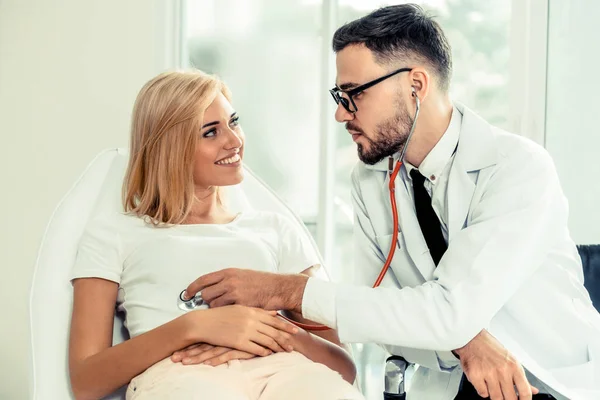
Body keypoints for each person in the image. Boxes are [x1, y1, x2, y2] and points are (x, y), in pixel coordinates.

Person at [184, 4, 600, 400]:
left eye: (354, 94)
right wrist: (465, 343)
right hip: (450, 385)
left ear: (415, 86)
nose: (342, 115)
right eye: (339, 96)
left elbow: (445, 312)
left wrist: (287, 290)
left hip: (546, 382)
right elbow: (378, 317)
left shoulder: (516, 168)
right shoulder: (370, 179)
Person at [68, 70, 364, 400]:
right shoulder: (113, 234)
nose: (234, 140)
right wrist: (193, 327)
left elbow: (345, 368)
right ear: (171, 147)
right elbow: (86, 381)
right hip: (183, 377)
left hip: (287, 370)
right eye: (211, 132)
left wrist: (278, 333)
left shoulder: (276, 229)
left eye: (233, 122)